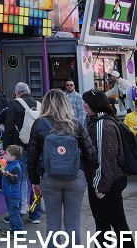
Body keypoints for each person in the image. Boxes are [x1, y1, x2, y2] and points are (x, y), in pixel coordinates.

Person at [29, 89, 97, 246]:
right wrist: (82, 171)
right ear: (66, 103)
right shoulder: (75, 123)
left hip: (49, 177)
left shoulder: (39, 123)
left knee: (52, 223)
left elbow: (32, 156)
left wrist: (35, 181)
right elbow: (91, 153)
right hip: (75, 177)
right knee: (73, 223)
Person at [82, 89, 131, 238]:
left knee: (117, 225)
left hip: (106, 182)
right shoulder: (100, 121)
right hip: (106, 180)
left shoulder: (102, 125)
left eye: (86, 102)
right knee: (103, 225)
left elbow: (105, 159)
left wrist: (100, 186)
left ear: (95, 104)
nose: (84, 105)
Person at [2, 81, 42, 223]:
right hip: (36, 148)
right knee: (36, 181)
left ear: (16, 93)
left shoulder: (14, 104)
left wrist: (5, 147)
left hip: (19, 148)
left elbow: (9, 127)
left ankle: (19, 211)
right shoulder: (38, 104)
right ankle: (35, 214)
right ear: (29, 91)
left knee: (18, 180)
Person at [0, 144, 25, 232]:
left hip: (13, 194)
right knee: (11, 213)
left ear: (13, 157)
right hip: (9, 193)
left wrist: (7, 175)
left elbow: (14, 181)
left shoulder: (15, 167)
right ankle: (13, 229)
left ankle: (19, 231)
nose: (5, 155)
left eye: (7, 154)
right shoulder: (9, 164)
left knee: (14, 214)